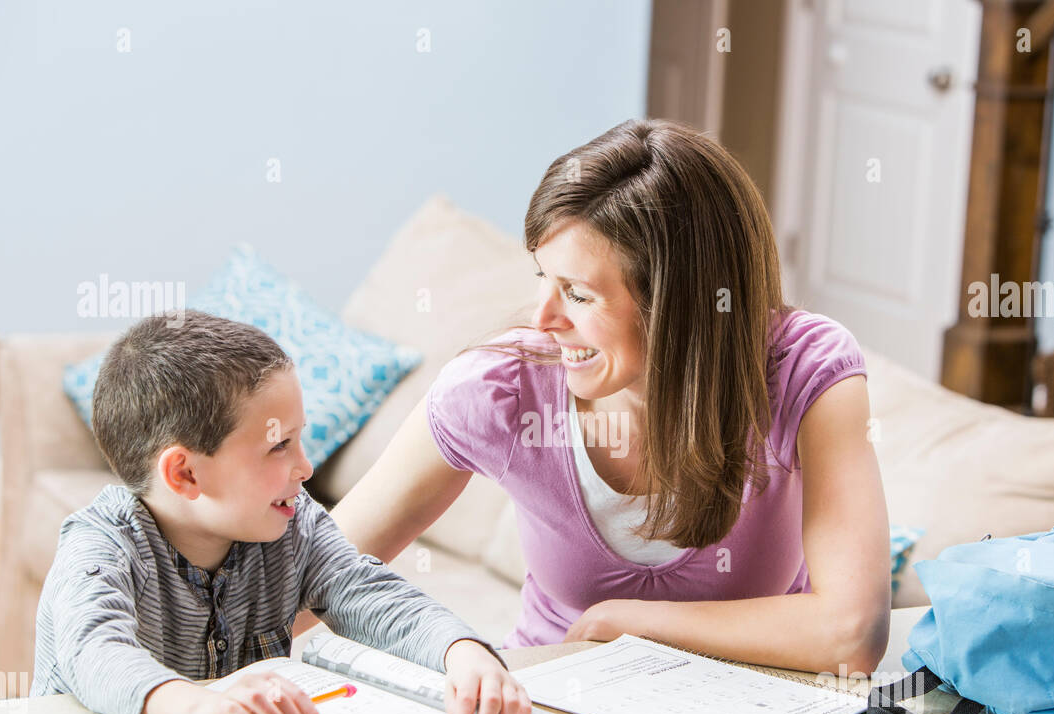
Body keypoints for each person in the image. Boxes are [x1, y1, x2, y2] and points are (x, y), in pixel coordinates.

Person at [325, 118, 892, 673]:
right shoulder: (499, 389)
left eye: (577, 294)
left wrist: (639, 626)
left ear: (678, 306)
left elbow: (853, 634)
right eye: (543, 278)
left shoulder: (803, 372)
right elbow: (317, 576)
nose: (543, 318)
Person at [32, 310, 530, 714]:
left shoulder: (291, 526)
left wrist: (462, 653)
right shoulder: (101, 546)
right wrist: (205, 708)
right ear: (184, 474)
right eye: (279, 446)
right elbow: (95, 652)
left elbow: (368, 592)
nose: (306, 467)